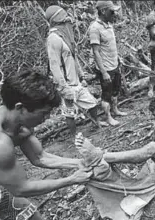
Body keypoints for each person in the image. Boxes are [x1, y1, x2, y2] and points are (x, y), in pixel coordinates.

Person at [0, 71, 93, 220]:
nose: (46, 119)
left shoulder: (17, 126)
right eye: (44, 114)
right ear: (20, 107)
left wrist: (80, 163)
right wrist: (72, 180)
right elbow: (21, 188)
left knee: (22, 208)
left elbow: (40, 157)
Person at [45, 5, 105, 136]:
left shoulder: (65, 35)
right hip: (66, 83)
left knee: (92, 103)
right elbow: (54, 65)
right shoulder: (53, 38)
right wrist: (63, 87)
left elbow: (74, 57)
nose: (67, 19)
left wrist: (82, 76)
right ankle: (73, 136)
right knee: (69, 113)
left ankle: (96, 123)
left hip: (76, 81)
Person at [89, 1, 128, 127]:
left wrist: (117, 59)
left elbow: (111, 46)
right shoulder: (95, 28)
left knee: (116, 90)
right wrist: (104, 72)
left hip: (114, 64)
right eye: (112, 11)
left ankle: (115, 110)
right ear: (103, 11)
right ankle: (108, 117)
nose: (114, 13)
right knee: (106, 94)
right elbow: (96, 52)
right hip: (106, 67)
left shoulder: (109, 25)